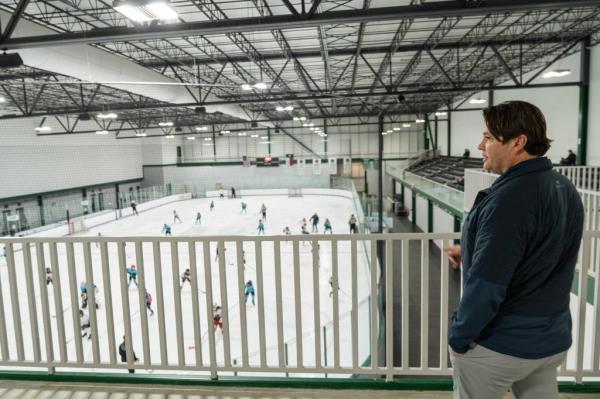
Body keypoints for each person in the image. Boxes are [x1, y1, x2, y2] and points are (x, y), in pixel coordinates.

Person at [443, 101, 584, 399]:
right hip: (550, 341)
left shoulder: (509, 199)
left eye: (489, 138)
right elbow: (539, 251)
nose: (481, 145)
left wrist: (459, 337)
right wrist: (470, 252)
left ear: (518, 142)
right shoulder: (563, 187)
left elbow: (487, 284)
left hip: (503, 345)